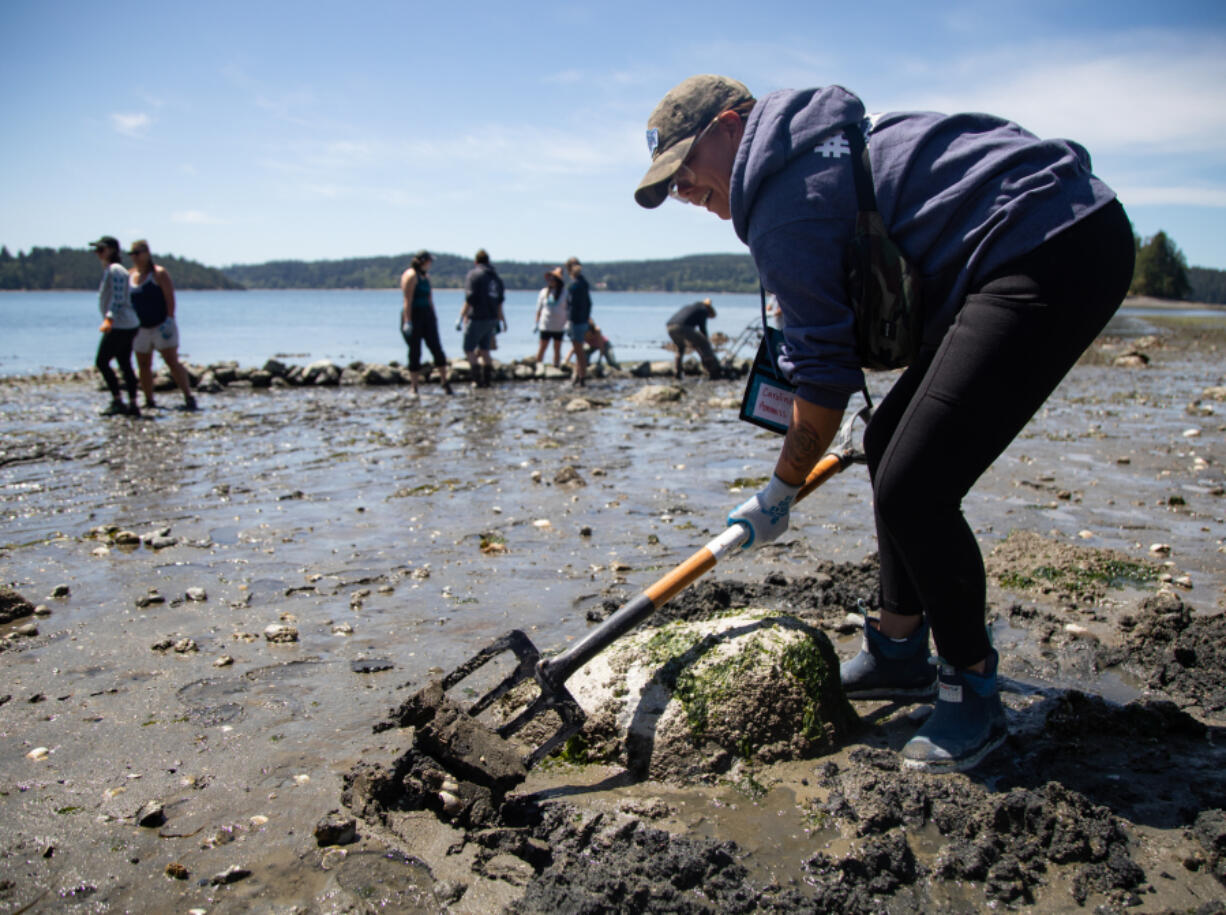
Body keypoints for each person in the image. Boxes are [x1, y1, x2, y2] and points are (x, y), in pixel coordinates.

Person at [635, 75, 1133, 771]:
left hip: (1052, 244)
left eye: (684, 169)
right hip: (1039, 231)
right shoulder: (810, 150)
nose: (684, 192)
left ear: (728, 126)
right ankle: (900, 647)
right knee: (885, 444)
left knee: (915, 484)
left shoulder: (784, 197)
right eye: (671, 186)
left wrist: (780, 491)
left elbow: (827, 374)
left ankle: (971, 686)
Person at [127, 240, 197, 411]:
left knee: (171, 361)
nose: (134, 257)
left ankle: (188, 396)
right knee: (143, 364)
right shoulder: (130, 275)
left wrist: (169, 320)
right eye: (132, 254)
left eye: (138, 253)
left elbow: (170, 300)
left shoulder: (159, 274)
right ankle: (149, 400)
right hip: (140, 328)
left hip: (161, 326)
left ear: (147, 253)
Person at [90, 236, 141, 417]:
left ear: (112, 250)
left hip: (121, 324)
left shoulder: (116, 269)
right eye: (96, 250)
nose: (98, 253)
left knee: (102, 361)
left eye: (100, 249)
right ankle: (132, 404)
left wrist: (109, 319)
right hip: (125, 324)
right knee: (124, 363)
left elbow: (118, 298)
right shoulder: (112, 270)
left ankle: (119, 401)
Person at [400, 250, 452, 395]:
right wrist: (407, 320)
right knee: (415, 351)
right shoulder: (410, 275)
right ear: (423, 261)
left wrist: (434, 317)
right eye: (429, 261)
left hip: (427, 316)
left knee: (437, 348)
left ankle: (444, 382)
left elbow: (430, 299)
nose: (430, 264)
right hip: (415, 316)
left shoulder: (426, 277)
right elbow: (407, 300)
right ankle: (414, 386)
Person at [460, 249, 506, 388]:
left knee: (468, 348)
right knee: (485, 349)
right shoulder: (496, 277)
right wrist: (501, 320)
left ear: (476, 262)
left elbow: (470, 298)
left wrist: (462, 316)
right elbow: (499, 301)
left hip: (477, 317)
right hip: (492, 318)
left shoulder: (474, 275)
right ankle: (487, 380)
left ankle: (477, 379)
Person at [666, 297, 722, 379]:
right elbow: (702, 328)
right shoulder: (703, 310)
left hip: (670, 327)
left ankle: (677, 373)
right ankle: (713, 370)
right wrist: (705, 341)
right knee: (704, 344)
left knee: (680, 348)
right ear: (709, 308)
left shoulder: (689, 307)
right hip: (683, 327)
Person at [563, 257, 592, 387]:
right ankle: (578, 376)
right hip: (583, 321)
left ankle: (581, 378)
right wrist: (586, 318)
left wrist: (570, 320)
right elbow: (589, 303)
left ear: (569, 269)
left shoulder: (573, 286)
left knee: (578, 351)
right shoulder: (584, 283)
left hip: (576, 321)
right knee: (578, 350)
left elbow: (572, 305)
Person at [534, 267, 568, 367]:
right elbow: (539, 309)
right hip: (545, 325)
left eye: (553, 279)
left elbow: (568, 309)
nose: (550, 281)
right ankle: (538, 366)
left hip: (559, 326)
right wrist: (536, 322)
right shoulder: (544, 292)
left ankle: (556, 366)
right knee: (542, 347)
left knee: (557, 348)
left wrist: (568, 323)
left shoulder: (565, 293)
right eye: (549, 279)